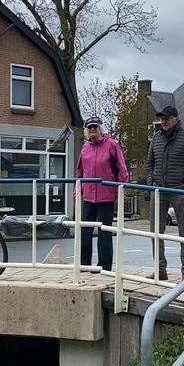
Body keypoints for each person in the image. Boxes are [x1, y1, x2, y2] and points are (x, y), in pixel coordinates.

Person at [145, 105, 184, 280]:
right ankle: (160, 269)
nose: (163, 121)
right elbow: (150, 164)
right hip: (158, 190)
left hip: (180, 190)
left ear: (175, 119)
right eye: (161, 119)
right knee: (155, 231)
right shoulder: (156, 139)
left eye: (167, 118)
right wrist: (150, 184)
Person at [75, 116, 129, 271]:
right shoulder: (85, 147)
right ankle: (83, 264)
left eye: (95, 127)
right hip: (88, 196)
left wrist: (121, 189)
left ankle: (104, 266)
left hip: (106, 195)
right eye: (90, 128)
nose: (92, 130)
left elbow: (121, 168)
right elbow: (80, 170)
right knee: (85, 230)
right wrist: (77, 191)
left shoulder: (112, 145)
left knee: (104, 232)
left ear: (100, 129)